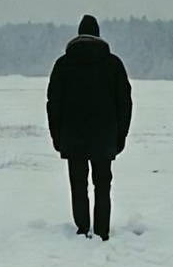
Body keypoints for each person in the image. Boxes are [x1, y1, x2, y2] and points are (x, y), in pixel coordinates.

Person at [46, 14, 132, 240]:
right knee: (102, 186)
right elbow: (125, 103)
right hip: (105, 137)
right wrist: (120, 136)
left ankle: (83, 228)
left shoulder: (63, 64)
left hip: (72, 136)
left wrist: (57, 136)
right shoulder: (113, 64)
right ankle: (102, 231)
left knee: (78, 185)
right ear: (98, 35)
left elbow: (53, 103)